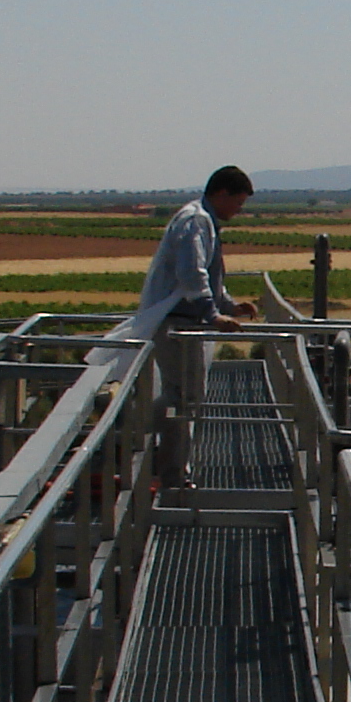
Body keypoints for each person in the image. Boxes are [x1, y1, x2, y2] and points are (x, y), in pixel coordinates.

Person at [127, 166, 258, 488]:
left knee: (186, 397)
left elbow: (209, 276)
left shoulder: (203, 220)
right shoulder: (196, 221)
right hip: (177, 321)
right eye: (237, 203)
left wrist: (228, 305)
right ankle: (152, 451)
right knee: (184, 398)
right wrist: (214, 315)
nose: (239, 211)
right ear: (221, 194)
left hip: (183, 319)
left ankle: (138, 432)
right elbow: (192, 274)